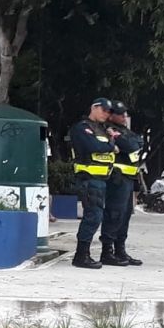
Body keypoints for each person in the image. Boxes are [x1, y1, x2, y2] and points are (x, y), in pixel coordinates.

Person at [69, 97, 117, 269]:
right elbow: (94, 146)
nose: (106, 114)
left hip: (101, 180)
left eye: (108, 112)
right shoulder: (82, 128)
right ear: (94, 107)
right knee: (93, 216)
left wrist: (109, 143)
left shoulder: (102, 130)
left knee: (96, 216)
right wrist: (111, 145)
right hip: (88, 178)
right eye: (103, 110)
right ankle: (81, 255)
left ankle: (84, 254)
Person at [99, 100, 143, 266]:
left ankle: (120, 250)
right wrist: (123, 141)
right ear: (112, 115)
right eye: (121, 114)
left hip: (128, 180)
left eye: (125, 114)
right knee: (114, 214)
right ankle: (107, 251)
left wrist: (126, 142)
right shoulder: (107, 129)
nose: (124, 117)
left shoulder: (123, 131)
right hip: (116, 179)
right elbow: (129, 145)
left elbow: (137, 143)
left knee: (125, 215)